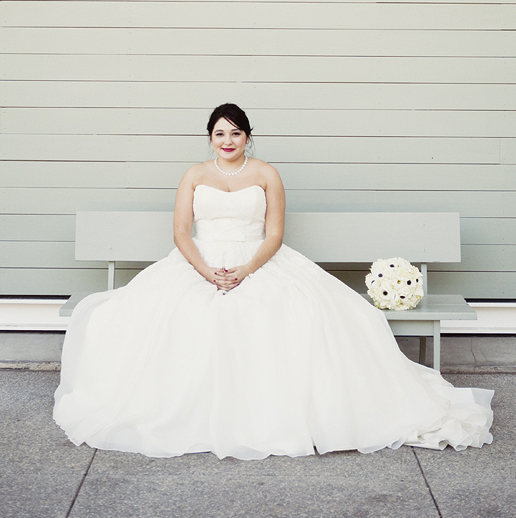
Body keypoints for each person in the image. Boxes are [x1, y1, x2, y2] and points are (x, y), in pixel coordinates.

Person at [54, 103, 493, 459]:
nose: (227, 142)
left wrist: (246, 270)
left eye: (236, 133)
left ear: (247, 137)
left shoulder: (266, 174)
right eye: (219, 134)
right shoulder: (194, 175)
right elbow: (181, 233)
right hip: (200, 262)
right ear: (210, 138)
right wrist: (206, 271)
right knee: (173, 316)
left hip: (259, 260)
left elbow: (275, 234)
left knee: (296, 313)